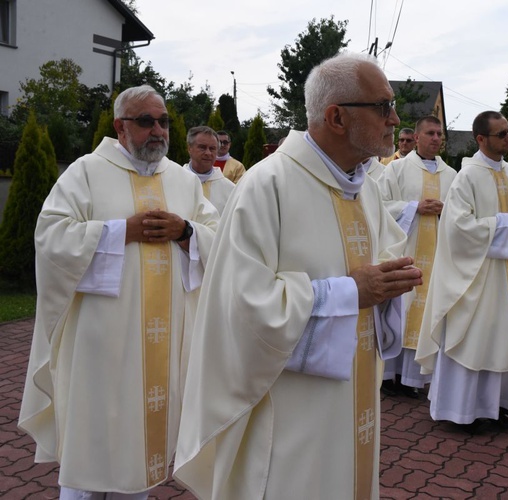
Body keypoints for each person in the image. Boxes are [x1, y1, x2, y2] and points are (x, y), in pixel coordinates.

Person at [173, 52, 423, 500]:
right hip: (291, 410)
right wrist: (349, 292)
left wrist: (389, 282)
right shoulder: (269, 185)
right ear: (336, 117)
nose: (396, 118)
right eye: (384, 106)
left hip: (353, 395)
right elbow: (244, 306)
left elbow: (382, 258)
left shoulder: (362, 185)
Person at [18, 85, 219, 499]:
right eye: (146, 121)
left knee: (141, 456)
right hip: (100, 344)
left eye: (163, 121)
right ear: (120, 127)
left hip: (163, 346)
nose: (158, 131)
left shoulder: (182, 181)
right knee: (91, 450)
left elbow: (219, 237)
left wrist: (186, 232)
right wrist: (119, 232)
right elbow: (51, 237)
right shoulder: (86, 172)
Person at [415, 111, 508, 429]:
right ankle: (463, 410)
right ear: (481, 139)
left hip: (507, 272)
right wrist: (507, 222)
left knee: (501, 337)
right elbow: (457, 228)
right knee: (474, 337)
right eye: (501, 134)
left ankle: (495, 406)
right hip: (476, 276)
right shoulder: (466, 177)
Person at [378, 115, 457, 397]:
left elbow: (462, 215)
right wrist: (413, 207)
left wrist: (444, 208)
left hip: (437, 257)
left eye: (440, 134)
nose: (437, 138)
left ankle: (414, 379)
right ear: (418, 138)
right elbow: (379, 206)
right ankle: (388, 374)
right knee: (400, 311)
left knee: (426, 313)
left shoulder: (453, 176)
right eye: (431, 133)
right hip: (405, 251)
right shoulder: (396, 169)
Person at [185, 126, 235, 215]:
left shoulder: (230, 189)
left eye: (212, 148)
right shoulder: (175, 180)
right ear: (189, 149)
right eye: (202, 147)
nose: (208, 153)